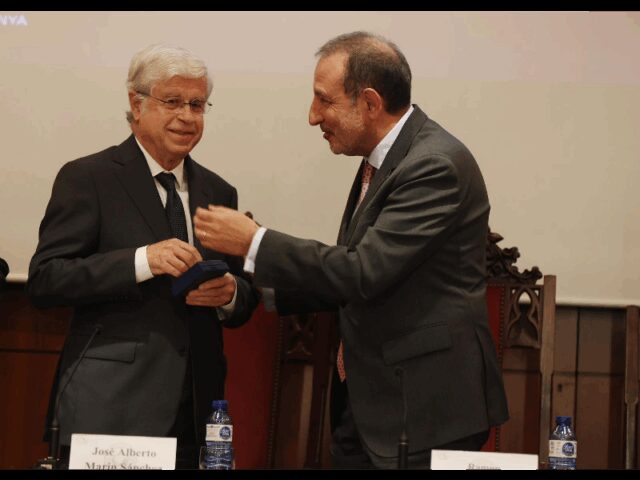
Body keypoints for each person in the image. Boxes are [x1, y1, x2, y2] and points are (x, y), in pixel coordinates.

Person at [193, 31, 509, 469]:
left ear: (370, 103)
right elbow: (353, 276)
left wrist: (255, 242)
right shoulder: (383, 159)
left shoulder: (434, 164)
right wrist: (241, 290)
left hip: (424, 410)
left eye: (324, 100)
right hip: (371, 402)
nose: (312, 116)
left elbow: (363, 272)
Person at [27, 44, 259, 469]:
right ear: (137, 104)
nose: (187, 117)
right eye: (172, 102)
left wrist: (229, 294)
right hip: (110, 409)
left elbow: (243, 293)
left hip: (194, 413)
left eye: (197, 105)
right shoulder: (89, 177)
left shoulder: (218, 191)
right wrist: (142, 261)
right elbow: (47, 278)